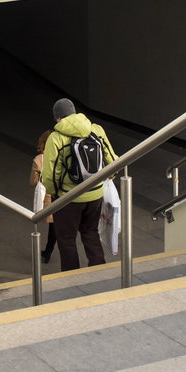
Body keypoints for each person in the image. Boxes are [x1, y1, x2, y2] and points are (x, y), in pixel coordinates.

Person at [41, 98, 118, 272]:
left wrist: (55, 194)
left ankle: (72, 277)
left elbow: (50, 175)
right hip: (95, 194)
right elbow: (113, 161)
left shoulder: (56, 138)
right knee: (90, 232)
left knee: (67, 240)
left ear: (58, 118)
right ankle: (99, 272)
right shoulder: (96, 130)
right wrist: (105, 180)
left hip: (68, 198)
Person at [30, 130, 57, 264]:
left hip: (47, 198)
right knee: (57, 227)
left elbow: (33, 181)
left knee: (53, 224)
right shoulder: (61, 155)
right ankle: (48, 250)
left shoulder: (38, 160)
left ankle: (47, 252)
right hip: (62, 194)